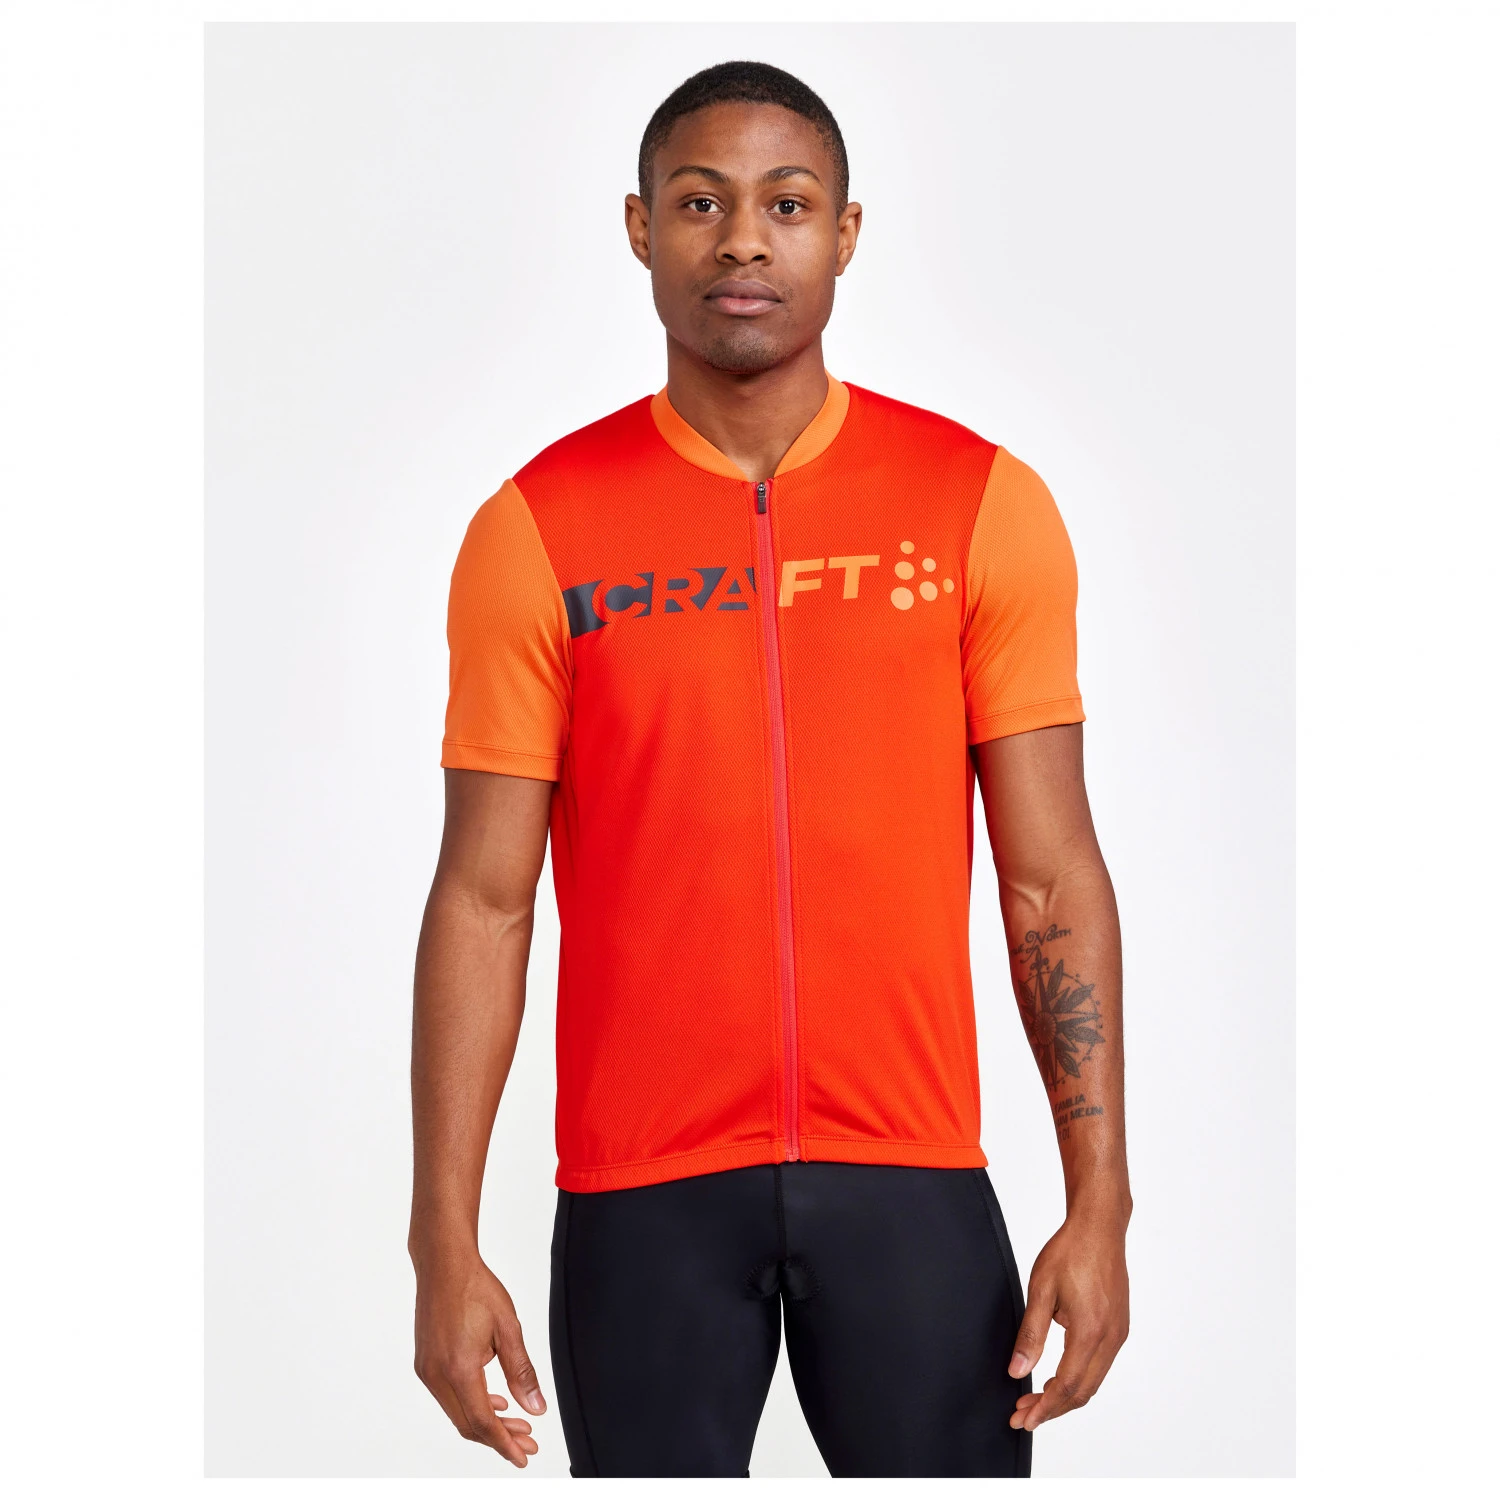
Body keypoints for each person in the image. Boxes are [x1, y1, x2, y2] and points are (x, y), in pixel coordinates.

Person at [408, 59, 1130, 1479]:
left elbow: (1050, 877)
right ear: (640, 228)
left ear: (845, 233)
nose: (744, 240)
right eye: (701, 203)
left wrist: (1098, 1202)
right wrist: (442, 1238)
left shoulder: (977, 504)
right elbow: (483, 901)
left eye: (787, 205)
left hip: (911, 1178)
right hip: (643, 1198)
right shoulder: (537, 528)